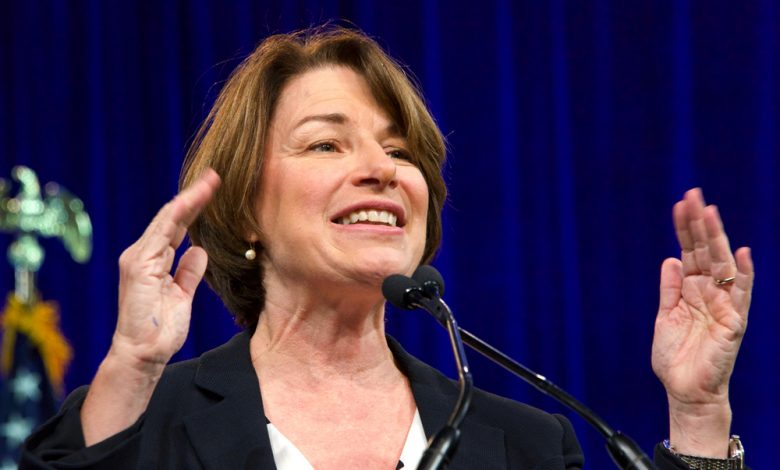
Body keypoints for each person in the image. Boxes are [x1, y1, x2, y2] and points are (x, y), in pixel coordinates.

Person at [20, 26, 753, 469]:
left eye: (400, 152)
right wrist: (133, 365)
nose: (381, 169)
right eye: (327, 143)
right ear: (244, 208)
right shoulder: (147, 424)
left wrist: (698, 412)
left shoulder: (524, 444)